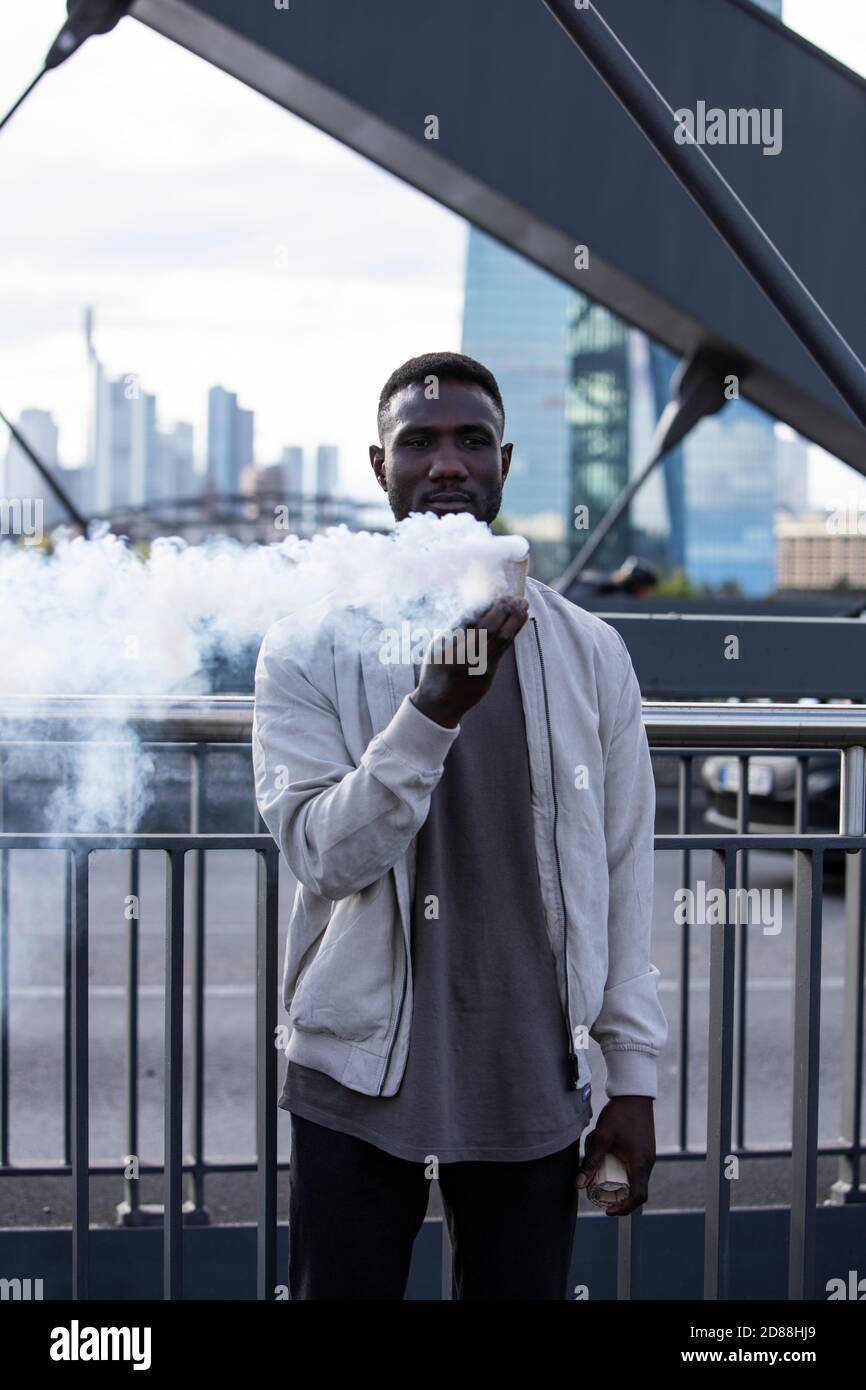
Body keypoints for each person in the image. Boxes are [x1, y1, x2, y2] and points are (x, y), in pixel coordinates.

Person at [252, 351, 668, 1300]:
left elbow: (623, 872)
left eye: (471, 441)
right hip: (356, 1078)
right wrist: (434, 709)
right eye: (420, 443)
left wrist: (632, 1075)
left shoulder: (590, 651)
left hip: (530, 1075)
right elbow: (323, 851)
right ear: (378, 465)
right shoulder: (311, 643)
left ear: (505, 463)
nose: (447, 464)